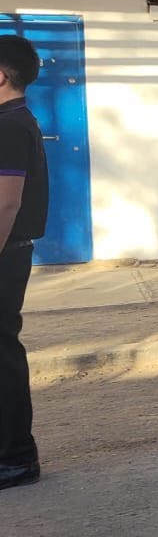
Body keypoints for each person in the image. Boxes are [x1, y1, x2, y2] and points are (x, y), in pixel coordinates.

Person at [0, 36, 48, 492]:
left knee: (2, 356)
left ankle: (16, 458)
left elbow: (6, 205)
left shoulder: (11, 125)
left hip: (6, 254)